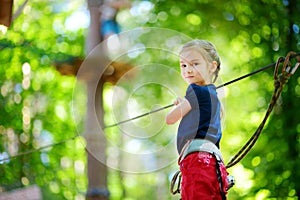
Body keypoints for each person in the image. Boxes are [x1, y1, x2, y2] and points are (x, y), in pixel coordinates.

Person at [166, 39, 228, 200]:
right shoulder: (213, 95)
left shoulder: (195, 90)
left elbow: (170, 118)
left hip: (197, 162)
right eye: (183, 65)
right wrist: (185, 104)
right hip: (214, 164)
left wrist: (178, 107)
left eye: (195, 64)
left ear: (211, 66)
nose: (188, 70)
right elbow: (198, 114)